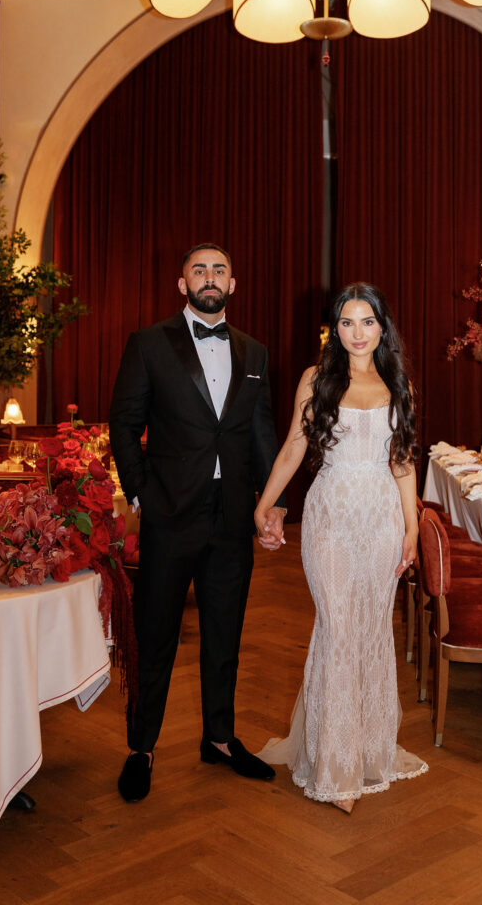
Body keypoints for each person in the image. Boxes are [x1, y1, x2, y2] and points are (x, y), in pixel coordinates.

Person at [109, 243, 286, 802]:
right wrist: (142, 494)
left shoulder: (255, 352)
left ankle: (220, 738)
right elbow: (123, 423)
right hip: (169, 516)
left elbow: (262, 436)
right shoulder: (148, 343)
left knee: (225, 636)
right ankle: (142, 748)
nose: (209, 278)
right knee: (155, 635)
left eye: (219, 270)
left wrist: (272, 503)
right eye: (199, 270)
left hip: (232, 518)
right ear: (182, 284)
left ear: (233, 285)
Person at [253, 282, 428, 812]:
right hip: (329, 517)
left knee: (371, 628)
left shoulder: (399, 383)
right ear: (336, 329)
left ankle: (368, 751)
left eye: (367, 322)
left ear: (382, 327)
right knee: (336, 627)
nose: (358, 333)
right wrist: (264, 504)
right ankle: (334, 765)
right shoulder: (317, 378)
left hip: (381, 520)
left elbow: (403, 461)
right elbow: (292, 447)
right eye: (347, 323)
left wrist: (412, 528)